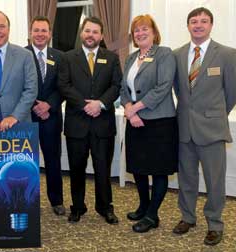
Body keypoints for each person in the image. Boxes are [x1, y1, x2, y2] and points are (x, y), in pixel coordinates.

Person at [172, 7, 236, 246]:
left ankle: (215, 223)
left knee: (214, 180)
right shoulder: (177, 54)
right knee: (186, 178)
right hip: (185, 129)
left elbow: (231, 93)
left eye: (203, 21)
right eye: (193, 21)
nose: (198, 25)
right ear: (188, 26)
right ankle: (187, 217)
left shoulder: (228, 54)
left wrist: (215, 114)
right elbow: (180, 91)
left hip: (212, 129)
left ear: (211, 25)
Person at [58, 16, 122, 224]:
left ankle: (105, 207)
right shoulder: (68, 57)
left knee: (103, 168)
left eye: (95, 32)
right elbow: (64, 85)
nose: (90, 35)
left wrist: (100, 103)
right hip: (77, 123)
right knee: (76, 168)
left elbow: (116, 85)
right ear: (81, 33)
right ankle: (77, 206)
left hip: (103, 123)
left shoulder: (111, 58)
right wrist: (85, 105)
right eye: (87, 31)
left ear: (101, 35)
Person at [120, 14, 178, 233]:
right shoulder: (131, 58)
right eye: (136, 30)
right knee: (138, 167)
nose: (140, 33)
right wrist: (128, 108)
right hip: (134, 120)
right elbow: (122, 89)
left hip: (159, 121)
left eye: (145, 29)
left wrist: (136, 107)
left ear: (154, 32)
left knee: (158, 169)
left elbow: (163, 87)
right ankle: (144, 206)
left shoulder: (164, 54)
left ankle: (153, 215)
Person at [25, 16, 65, 216]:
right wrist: (34, 105)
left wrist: (49, 104)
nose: (40, 34)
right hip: (27, 117)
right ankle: (27, 201)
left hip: (51, 117)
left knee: (53, 160)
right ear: (30, 32)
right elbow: (18, 86)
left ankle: (56, 200)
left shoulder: (60, 56)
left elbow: (63, 86)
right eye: (36, 30)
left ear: (49, 33)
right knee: (26, 162)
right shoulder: (20, 55)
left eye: (44, 30)